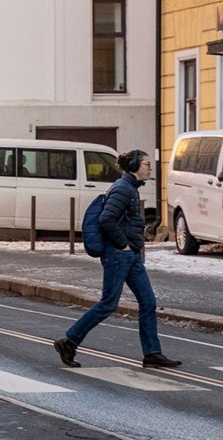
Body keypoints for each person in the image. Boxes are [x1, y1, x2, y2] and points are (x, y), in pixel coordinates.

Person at [54, 149, 181, 370]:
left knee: (148, 302)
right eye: (146, 164)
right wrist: (123, 244)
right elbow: (107, 219)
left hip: (130, 255)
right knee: (108, 304)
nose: (150, 168)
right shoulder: (123, 189)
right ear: (133, 166)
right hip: (118, 254)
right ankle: (69, 342)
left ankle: (152, 353)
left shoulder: (130, 187)